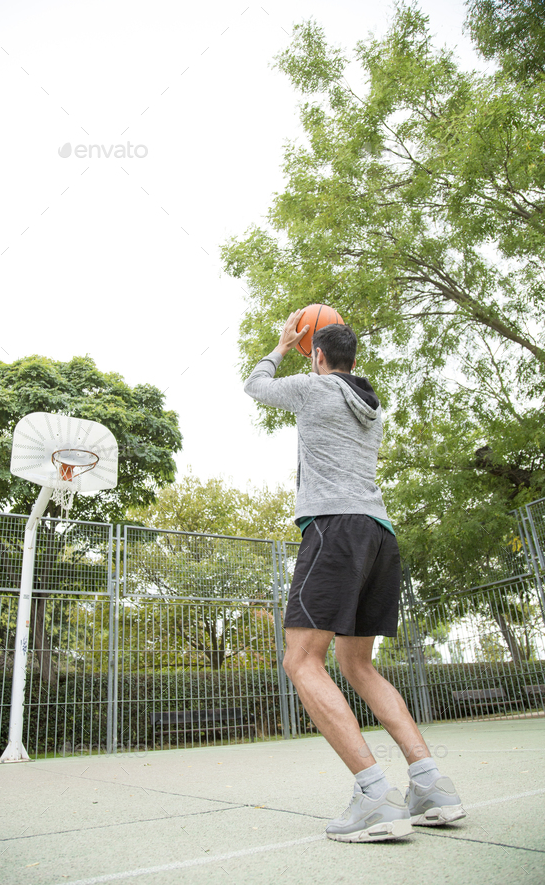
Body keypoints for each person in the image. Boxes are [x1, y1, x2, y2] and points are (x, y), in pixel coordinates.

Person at [244, 308, 465, 843]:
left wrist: (281, 344)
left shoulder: (314, 389)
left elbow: (254, 385)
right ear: (354, 359)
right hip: (378, 531)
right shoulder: (372, 405)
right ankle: (431, 785)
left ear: (318, 356)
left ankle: (372, 796)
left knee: (300, 660)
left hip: (335, 529)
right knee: (357, 664)